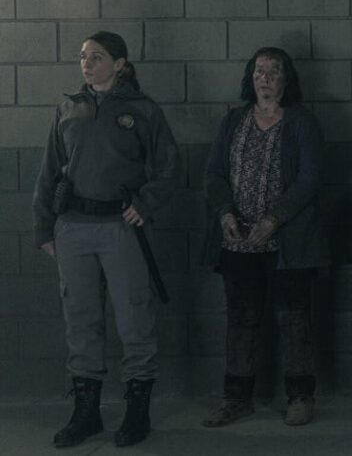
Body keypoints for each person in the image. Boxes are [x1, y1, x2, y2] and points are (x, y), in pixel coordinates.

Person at [32, 31, 180, 448]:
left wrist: (145, 204)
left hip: (121, 228)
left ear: (119, 63)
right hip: (73, 227)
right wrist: (44, 227)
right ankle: (86, 412)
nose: (87, 63)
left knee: (134, 318)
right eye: (83, 57)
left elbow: (169, 168)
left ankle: (137, 410)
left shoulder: (142, 110)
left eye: (97, 57)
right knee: (81, 320)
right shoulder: (68, 108)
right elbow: (48, 172)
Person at [200, 47, 327, 428]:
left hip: (288, 243)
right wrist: (224, 212)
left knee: (294, 320)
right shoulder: (234, 121)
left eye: (274, 71)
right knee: (241, 319)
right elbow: (214, 174)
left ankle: (300, 396)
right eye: (259, 70)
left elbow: (309, 178)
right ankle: (237, 398)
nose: (266, 77)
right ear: (250, 77)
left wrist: (275, 218)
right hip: (238, 242)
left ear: (287, 80)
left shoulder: (301, 122)